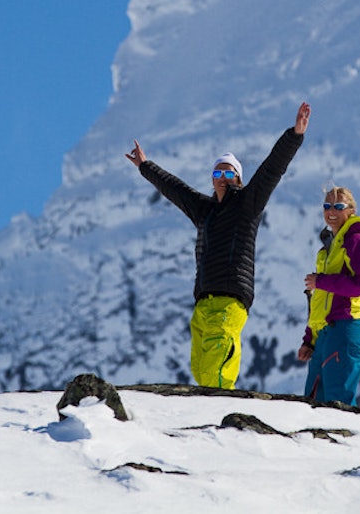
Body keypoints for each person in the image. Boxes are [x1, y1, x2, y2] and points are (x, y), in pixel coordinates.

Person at [125, 102, 311, 390]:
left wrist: (294, 135)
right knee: (201, 368)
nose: (223, 179)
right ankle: (209, 422)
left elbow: (272, 168)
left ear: (238, 178)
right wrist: (145, 166)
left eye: (229, 174)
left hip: (230, 298)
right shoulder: (205, 210)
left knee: (216, 367)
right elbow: (175, 189)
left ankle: (222, 421)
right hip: (204, 300)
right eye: (218, 174)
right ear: (212, 179)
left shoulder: (248, 204)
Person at [299, 187, 360, 405]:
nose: (331, 211)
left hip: (345, 328)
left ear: (351, 211)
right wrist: (310, 339)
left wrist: (321, 281)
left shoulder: (356, 241)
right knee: (313, 401)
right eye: (326, 206)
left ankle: (344, 440)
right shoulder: (328, 248)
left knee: (338, 404)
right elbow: (321, 301)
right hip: (326, 333)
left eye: (338, 206)